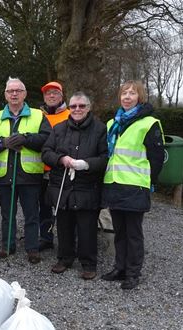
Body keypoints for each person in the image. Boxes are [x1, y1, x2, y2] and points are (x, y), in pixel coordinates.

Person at [101, 80, 164, 290]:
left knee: (133, 233)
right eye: (124, 93)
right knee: (119, 231)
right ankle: (120, 267)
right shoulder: (113, 124)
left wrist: (149, 183)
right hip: (114, 183)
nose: (127, 97)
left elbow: (156, 159)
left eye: (132, 93)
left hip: (135, 186)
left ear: (140, 97)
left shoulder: (149, 123)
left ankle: (133, 272)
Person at [0, 77, 52, 264]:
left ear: (25, 94)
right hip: (4, 175)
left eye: (18, 91)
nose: (14, 94)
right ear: (5, 94)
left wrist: (26, 138)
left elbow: (47, 139)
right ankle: (7, 246)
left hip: (29, 174)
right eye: (10, 91)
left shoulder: (38, 115)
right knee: (7, 213)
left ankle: (32, 248)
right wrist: (2, 142)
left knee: (31, 214)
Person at [41, 92, 108, 280]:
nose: (77, 109)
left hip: (87, 187)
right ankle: (64, 258)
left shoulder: (100, 129)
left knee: (87, 227)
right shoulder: (59, 128)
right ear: (69, 108)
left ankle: (88, 263)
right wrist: (61, 159)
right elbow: (46, 153)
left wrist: (86, 164)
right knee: (64, 225)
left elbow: (105, 158)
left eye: (81, 106)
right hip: (62, 186)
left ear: (88, 107)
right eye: (73, 106)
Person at [39, 81, 71, 251]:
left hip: (62, 169)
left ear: (61, 96)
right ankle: (46, 237)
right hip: (41, 169)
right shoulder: (38, 115)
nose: (51, 96)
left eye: (55, 93)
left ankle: (67, 241)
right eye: (48, 93)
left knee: (64, 207)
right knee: (43, 206)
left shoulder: (70, 114)